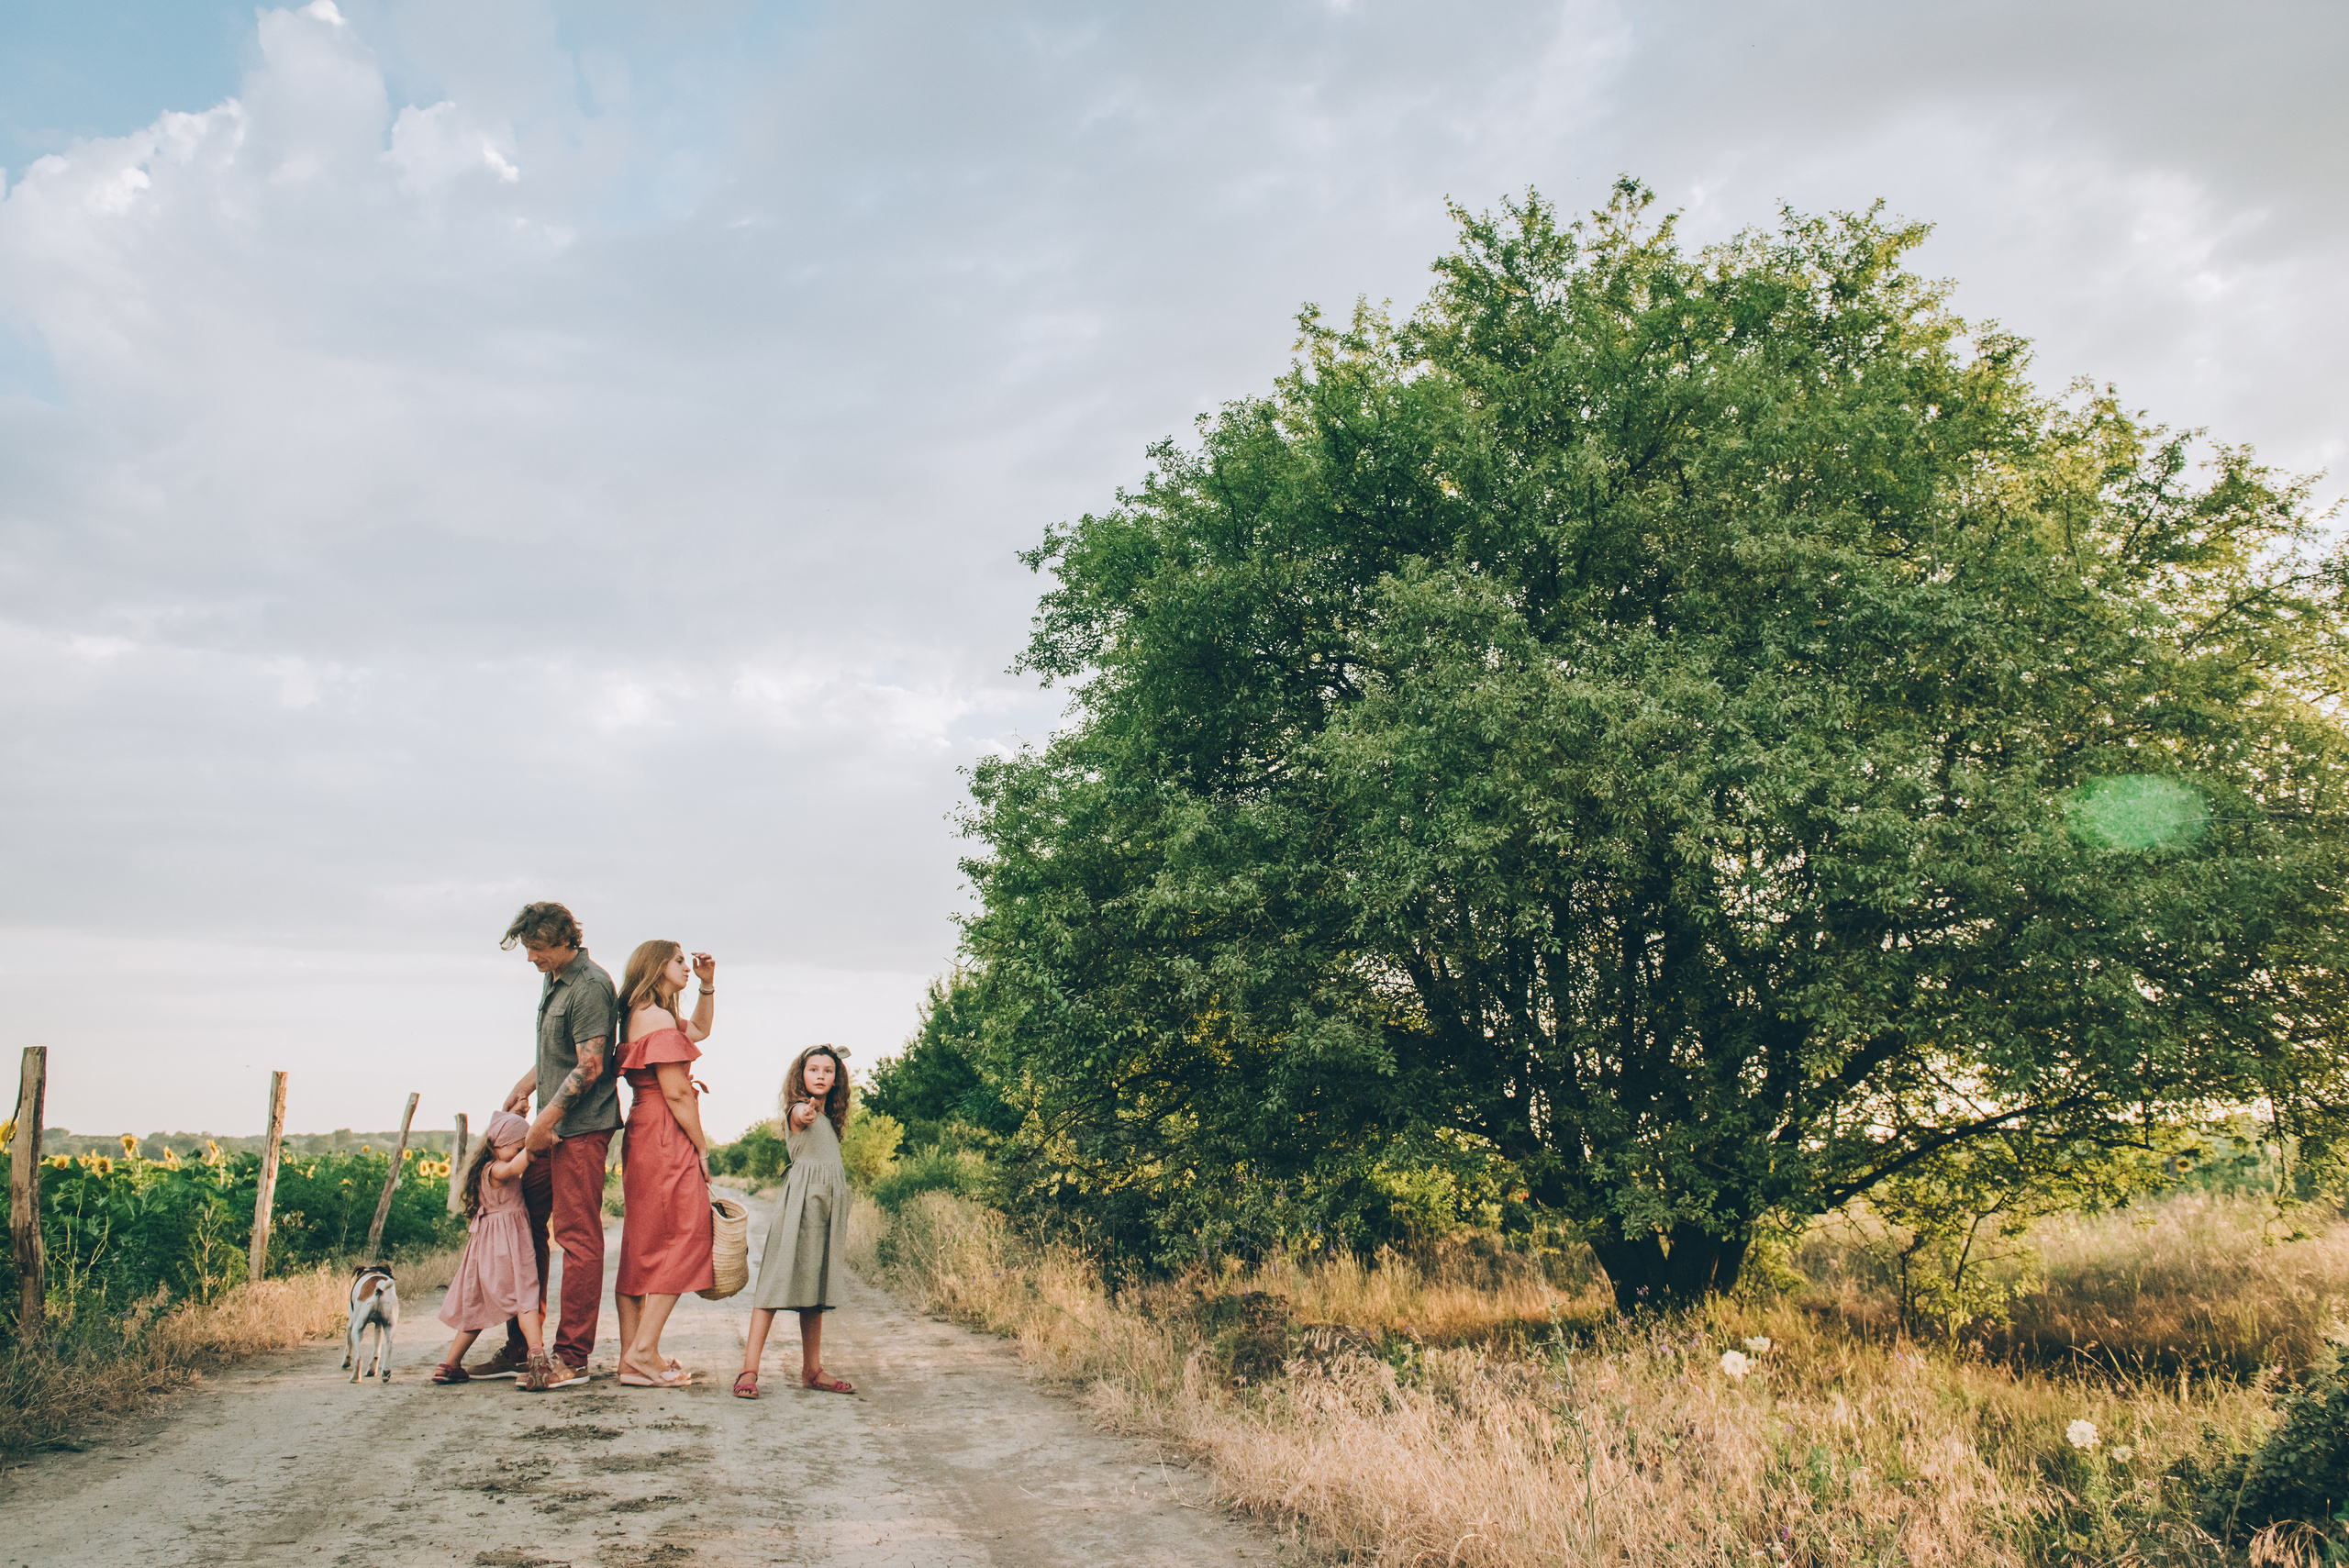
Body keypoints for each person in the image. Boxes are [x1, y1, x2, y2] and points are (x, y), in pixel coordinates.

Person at [466, 901, 618, 1388]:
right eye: (528, 948)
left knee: (577, 1238)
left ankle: (572, 1357)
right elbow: (558, 1053)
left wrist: (545, 1119)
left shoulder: (591, 985)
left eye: (538, 948)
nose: (531, 958)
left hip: (579, 1128)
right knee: (520, 1227)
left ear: (565, 941)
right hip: (548, 1128)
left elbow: (591, 1066)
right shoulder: (553, 979)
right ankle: (521, 1347)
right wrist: (528, 1086)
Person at [612, 940, 717, 1388]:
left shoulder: (644, 1014)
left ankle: (630, 1359)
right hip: (664, 1131)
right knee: (688, 1235)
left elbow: (698, 1030)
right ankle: (644, 1353)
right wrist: (703, 1149)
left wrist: (708, 987)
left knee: (642, 1243)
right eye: (679, 962)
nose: (687, 968)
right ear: (657, 967)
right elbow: (676, 1092)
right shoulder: (656, 1019)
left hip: (643, 1131)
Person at [737, 1043, 854, 1397]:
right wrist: (807, 1109)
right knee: (774, 1283)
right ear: (800, 1075)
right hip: (799, 1207)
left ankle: (812, 1370)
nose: (821, 1075)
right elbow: (801, 1116)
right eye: (814, 1069)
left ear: (837, 1078)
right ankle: (748, 1371)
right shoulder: (799, 1110)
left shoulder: (831, 1120)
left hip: (826, 1209)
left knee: (815, 1288)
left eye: (828, 1071)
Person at [430, 1111, 557, 1390]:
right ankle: (536, 1353)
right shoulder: (496, 1169)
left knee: (474, 1308)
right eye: (517, 1147)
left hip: (485, 1249)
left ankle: (450, 1365)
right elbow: (514, 1168)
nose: (520, 1152)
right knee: (526, 1299)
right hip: (510, 1246)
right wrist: (538, 1143)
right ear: (498, 1146)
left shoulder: (482, 1170)